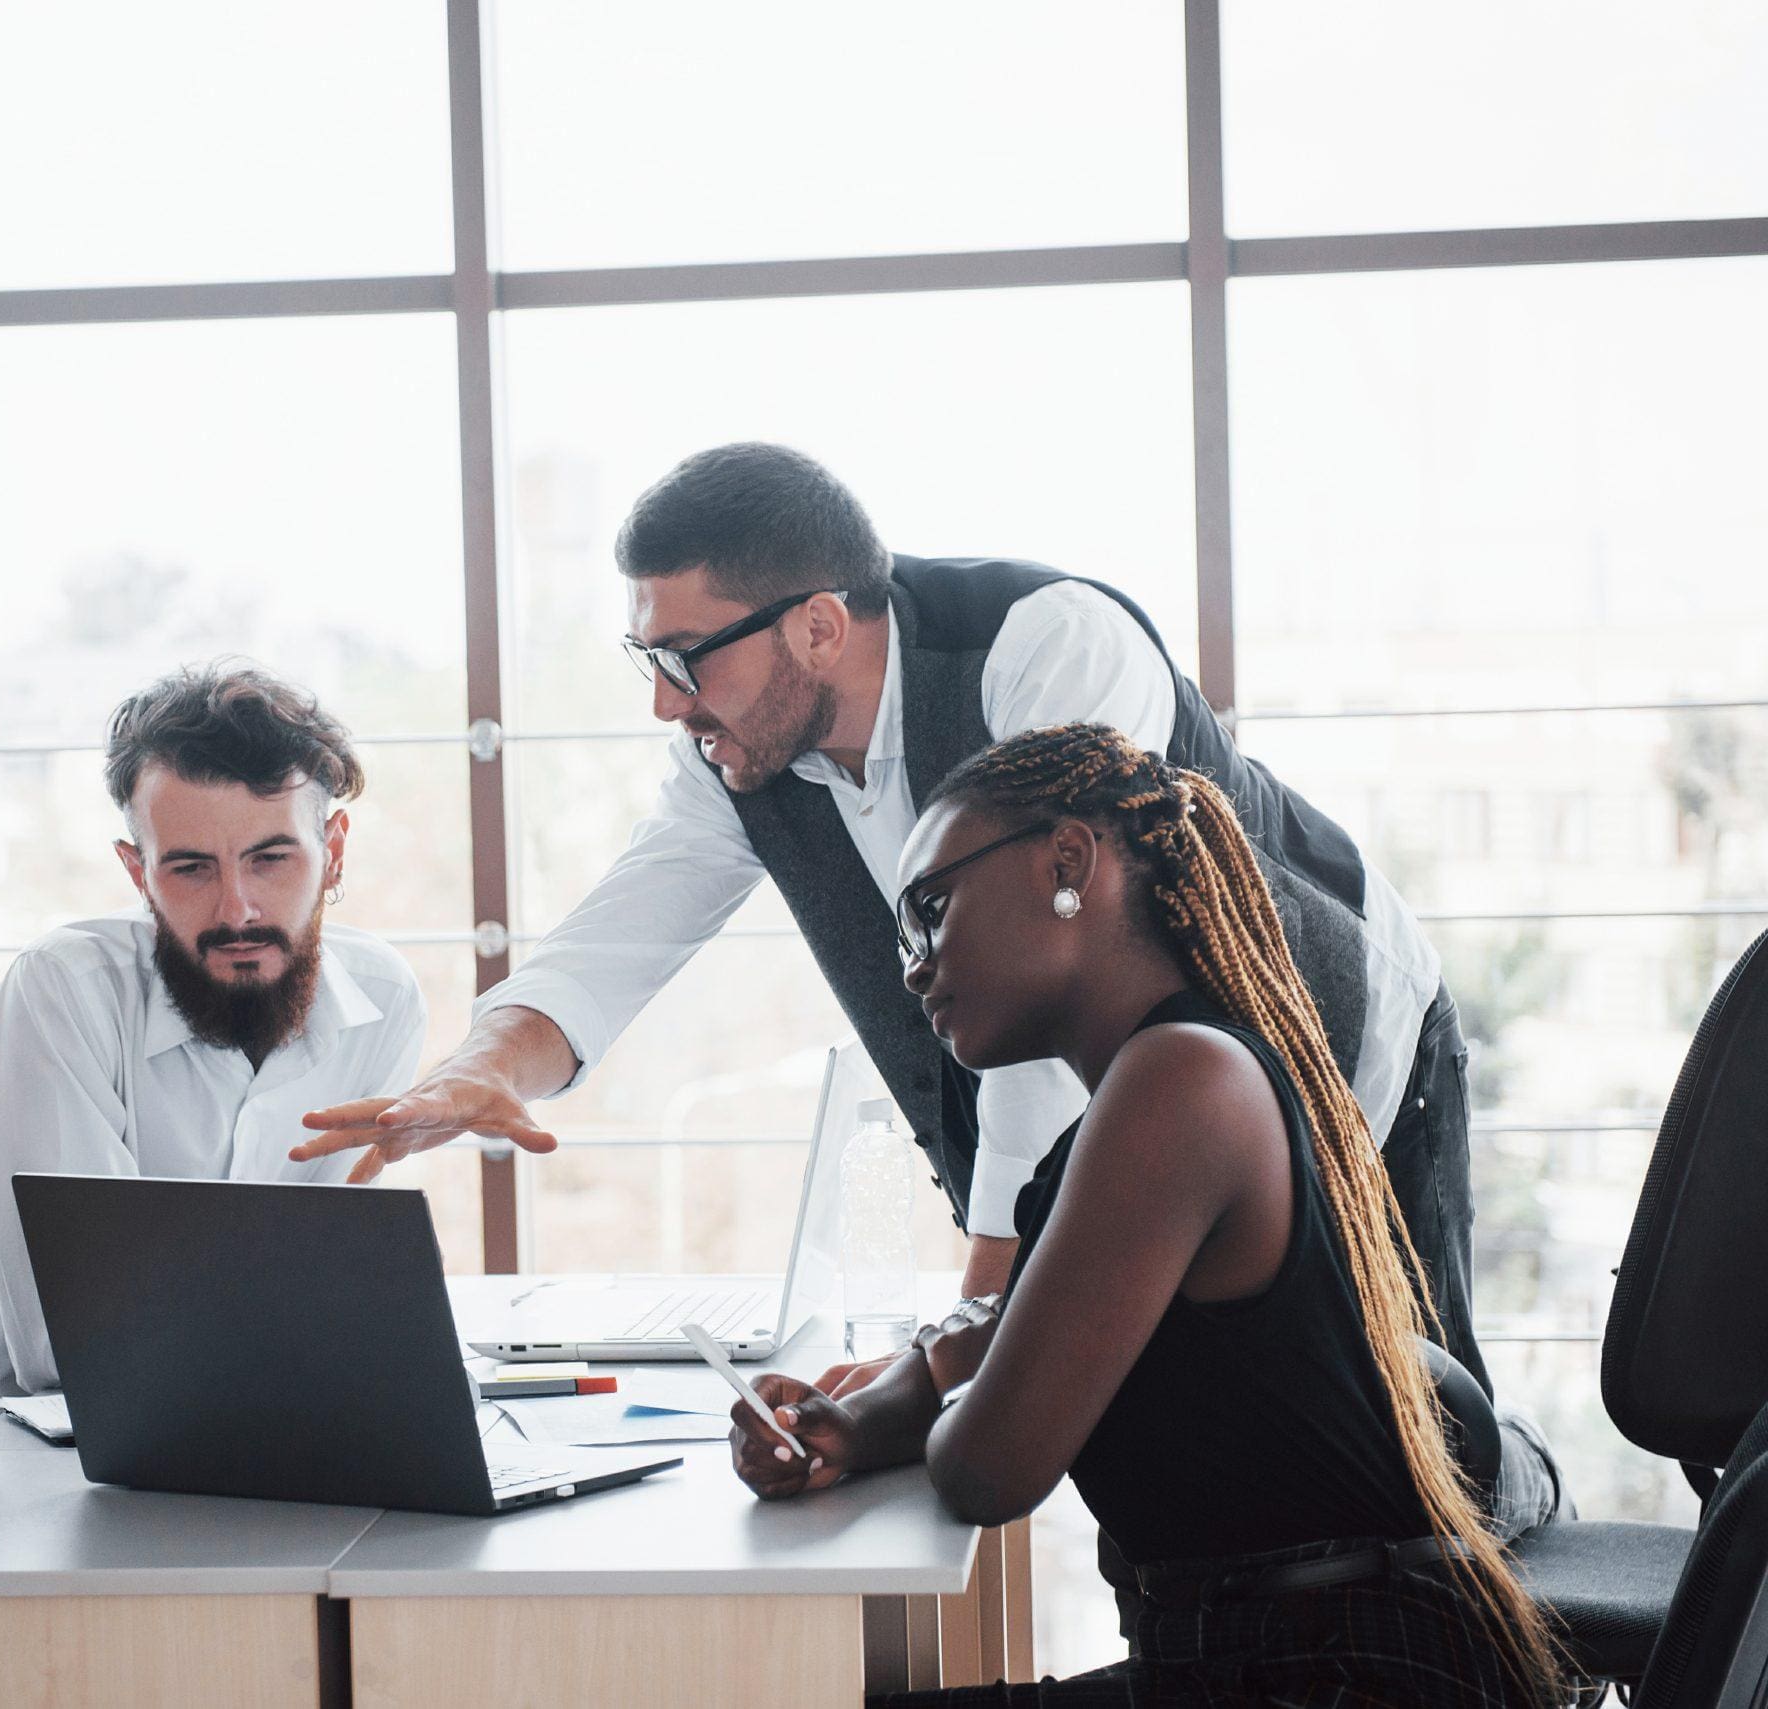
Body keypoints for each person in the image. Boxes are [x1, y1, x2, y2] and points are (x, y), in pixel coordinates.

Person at [296, 442, 1559, 1527]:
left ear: (819, 623)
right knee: (1192, 1460)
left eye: (685, 656)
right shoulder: (741, 756)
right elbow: (626, 925)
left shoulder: (1045, 646)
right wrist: (480, 1066)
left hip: (1345, 1062)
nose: (666, 702)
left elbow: (1043, 1008)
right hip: (1132, 1147)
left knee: (1416, 1473)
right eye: (648, 660)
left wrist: (969, 1323)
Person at [729, 722, 1562, 1707]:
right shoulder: (1139, 1099)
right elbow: (1001, 1344)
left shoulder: (1179, 1085)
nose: (911, 964)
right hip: (1250, 1660)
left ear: (1067, 861)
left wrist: (954, 1365)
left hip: (1336, 1676)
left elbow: (988, 1469)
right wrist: (861, 1417)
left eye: (930, 910)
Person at [0, 661, 426, 1395]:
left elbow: (337, 1293)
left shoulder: (384, 1000)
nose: (236, 910)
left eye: (270, 858)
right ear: (137, 871)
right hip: (42, 1462)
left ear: (332, 851)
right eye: (190, 868)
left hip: (271, 1423)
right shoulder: (61, 992)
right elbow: (69, 1337)